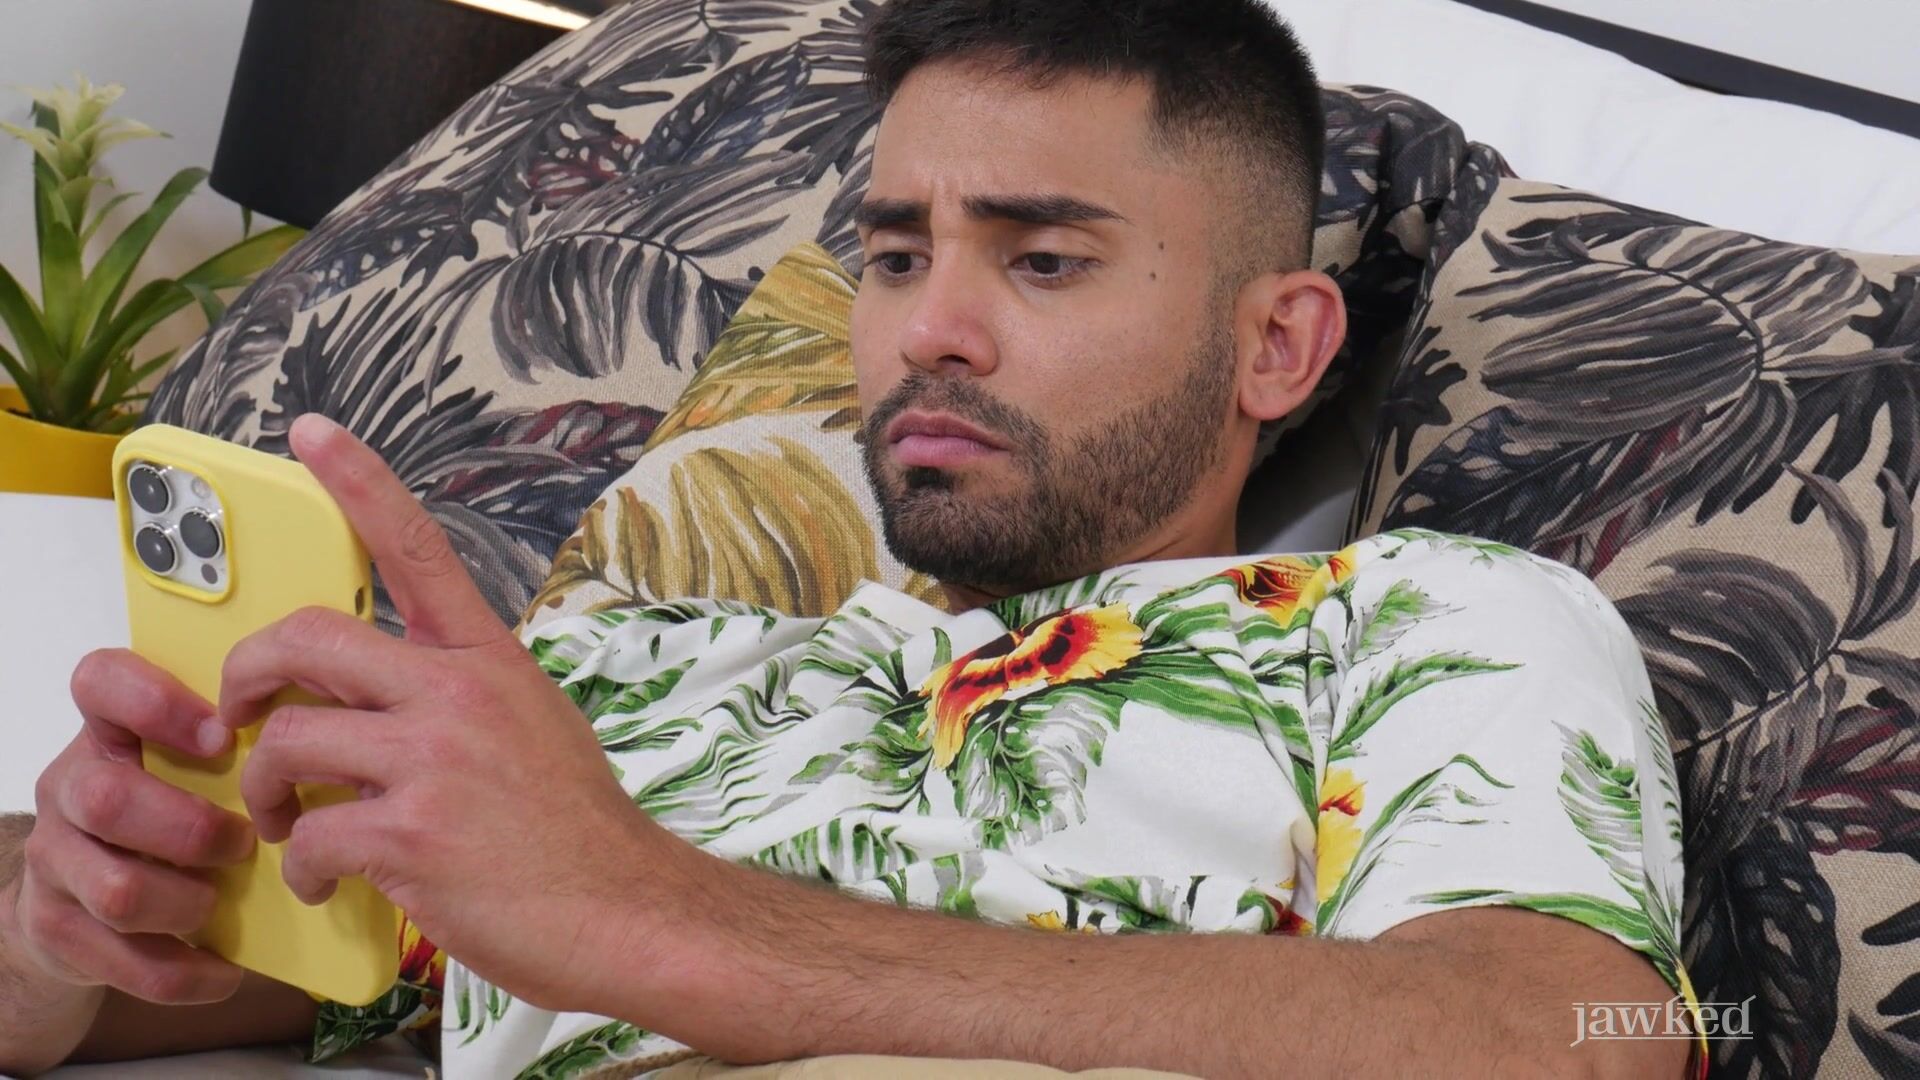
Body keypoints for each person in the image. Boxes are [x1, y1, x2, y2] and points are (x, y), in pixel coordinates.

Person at [0, 1, 1698, 1076]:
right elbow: (278, 981)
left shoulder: (1431, 619)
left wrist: (661, 918)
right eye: (892, 256)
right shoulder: (623, 667)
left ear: (1277, 346)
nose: (926, 333)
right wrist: (70, 933)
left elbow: (1559, 1038)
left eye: (1043, 260)